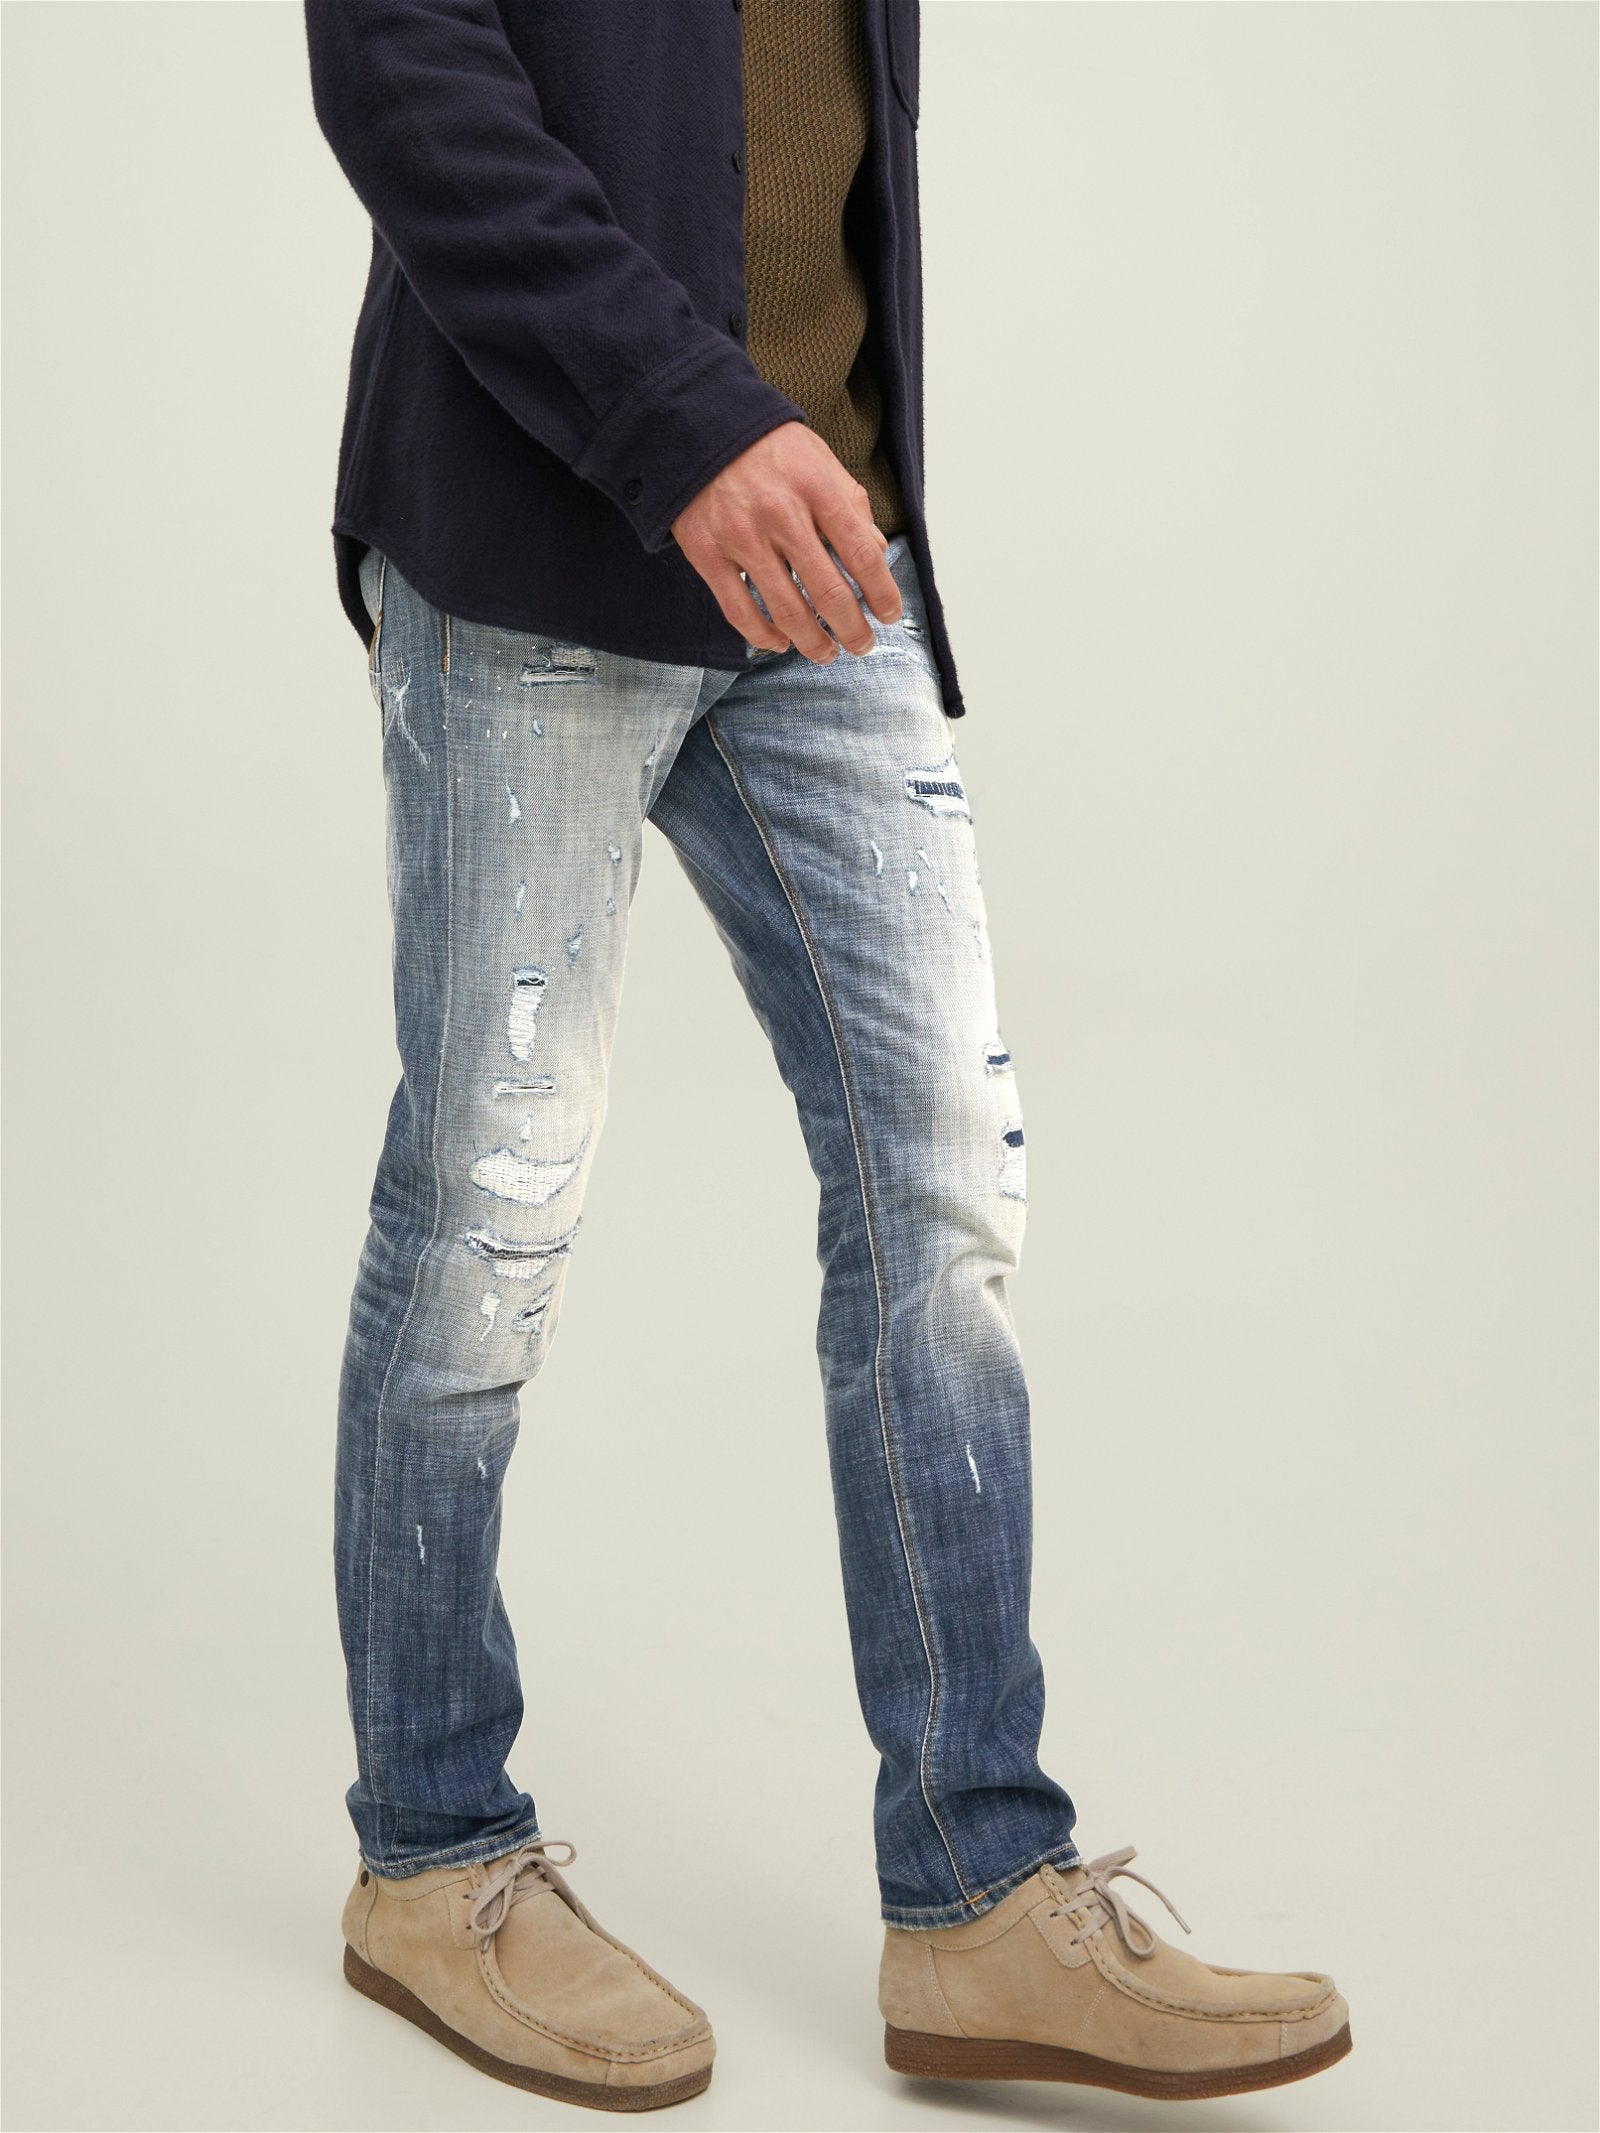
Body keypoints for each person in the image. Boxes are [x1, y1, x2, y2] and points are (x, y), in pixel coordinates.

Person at [303, 0, 1353, 2112]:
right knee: (492, 1209)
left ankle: (977, 1888)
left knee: (942, 1177)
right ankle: (430, 1849)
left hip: (819, 554)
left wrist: (800, 446)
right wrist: (682, 419)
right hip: (538, 544)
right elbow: (403, 76)